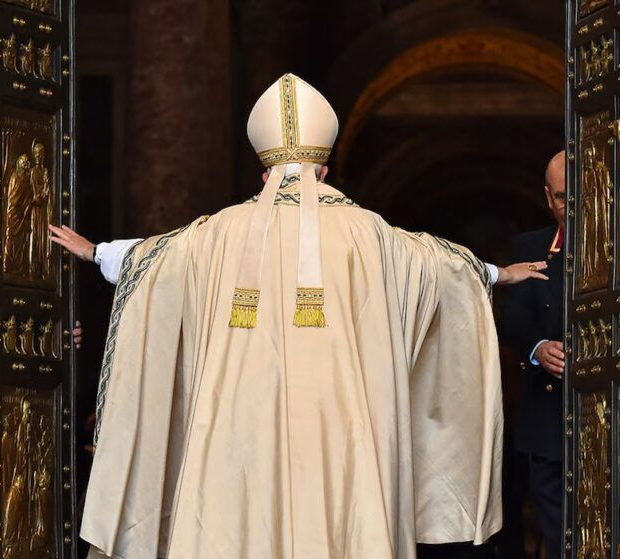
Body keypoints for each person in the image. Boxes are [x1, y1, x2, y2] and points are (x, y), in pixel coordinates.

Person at [52, 74, 548, 559]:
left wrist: (96, 251)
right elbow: (442, 266)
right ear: (325, 171)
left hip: (239, 432)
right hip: (344, 430)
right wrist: (498, 273)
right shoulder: (371, 234)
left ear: (263, 173)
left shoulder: (217, 233)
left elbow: (153, 259)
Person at [501, 151, 566, 559]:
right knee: (558, 535)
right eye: (561, 198)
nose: (570, 207)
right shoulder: (531, 246)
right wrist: (538, 348)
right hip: (548, 424)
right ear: (547, 197)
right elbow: (511, 320)